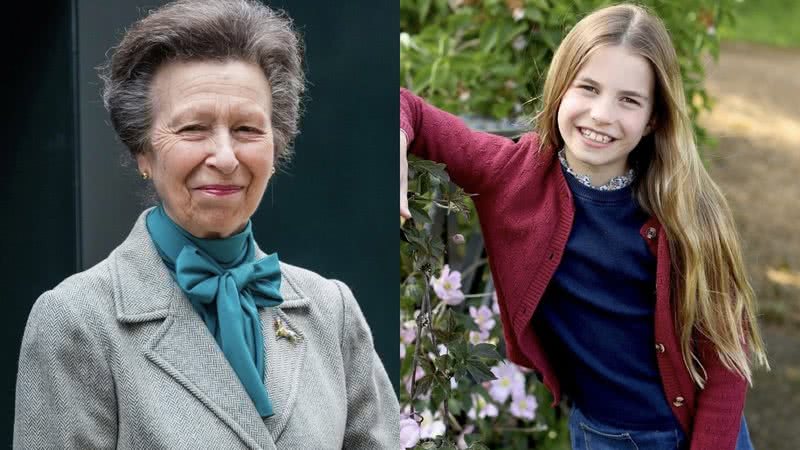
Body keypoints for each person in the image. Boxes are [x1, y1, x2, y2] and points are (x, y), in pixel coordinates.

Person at [14, 1, 398, 448]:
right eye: (194, 128)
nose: (225, 157)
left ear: (277, 147)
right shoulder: (78, 321)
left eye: (247, 130)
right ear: (143, 151)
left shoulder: (331, 312)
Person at [399, 4, 768, 450]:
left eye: (628, 100)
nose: (600, 114)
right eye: (588, 88)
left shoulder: (687, 205)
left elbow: (727, 354)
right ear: (560, 88)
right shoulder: (511, 174)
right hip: (596, 434)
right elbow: (405, 106)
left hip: (695, 435)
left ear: (654, 118)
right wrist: (396, 141)